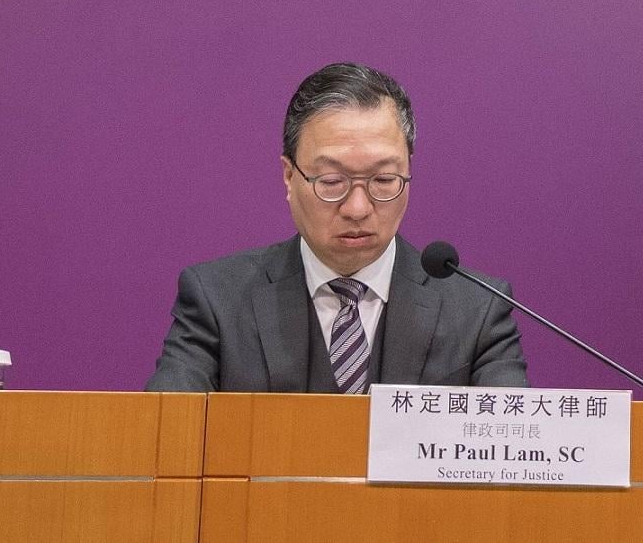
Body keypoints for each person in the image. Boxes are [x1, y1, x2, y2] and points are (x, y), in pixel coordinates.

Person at [146, 62, 528, 392]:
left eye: (383, 180)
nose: (357, 208)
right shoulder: (217, 301)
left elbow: (508, 447)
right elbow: (167, 433)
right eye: (331, 182)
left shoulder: (478, 311)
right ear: (289, 176)